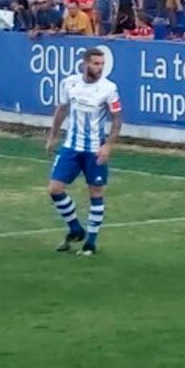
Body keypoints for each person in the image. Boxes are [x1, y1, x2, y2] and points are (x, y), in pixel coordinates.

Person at [46, 46, 123, 257]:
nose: (99, 68)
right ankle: (75, 228)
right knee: (54, 189)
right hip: (71, 146)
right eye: (96, 64)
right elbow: (62, 108)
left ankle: (90, 242)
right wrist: (53, 135)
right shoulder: (70, 83)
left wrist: (108, 145)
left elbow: (117, 119)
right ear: (85, 64)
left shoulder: (109, 88)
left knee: (96, 192)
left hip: (94, 150)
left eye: (102, 64)